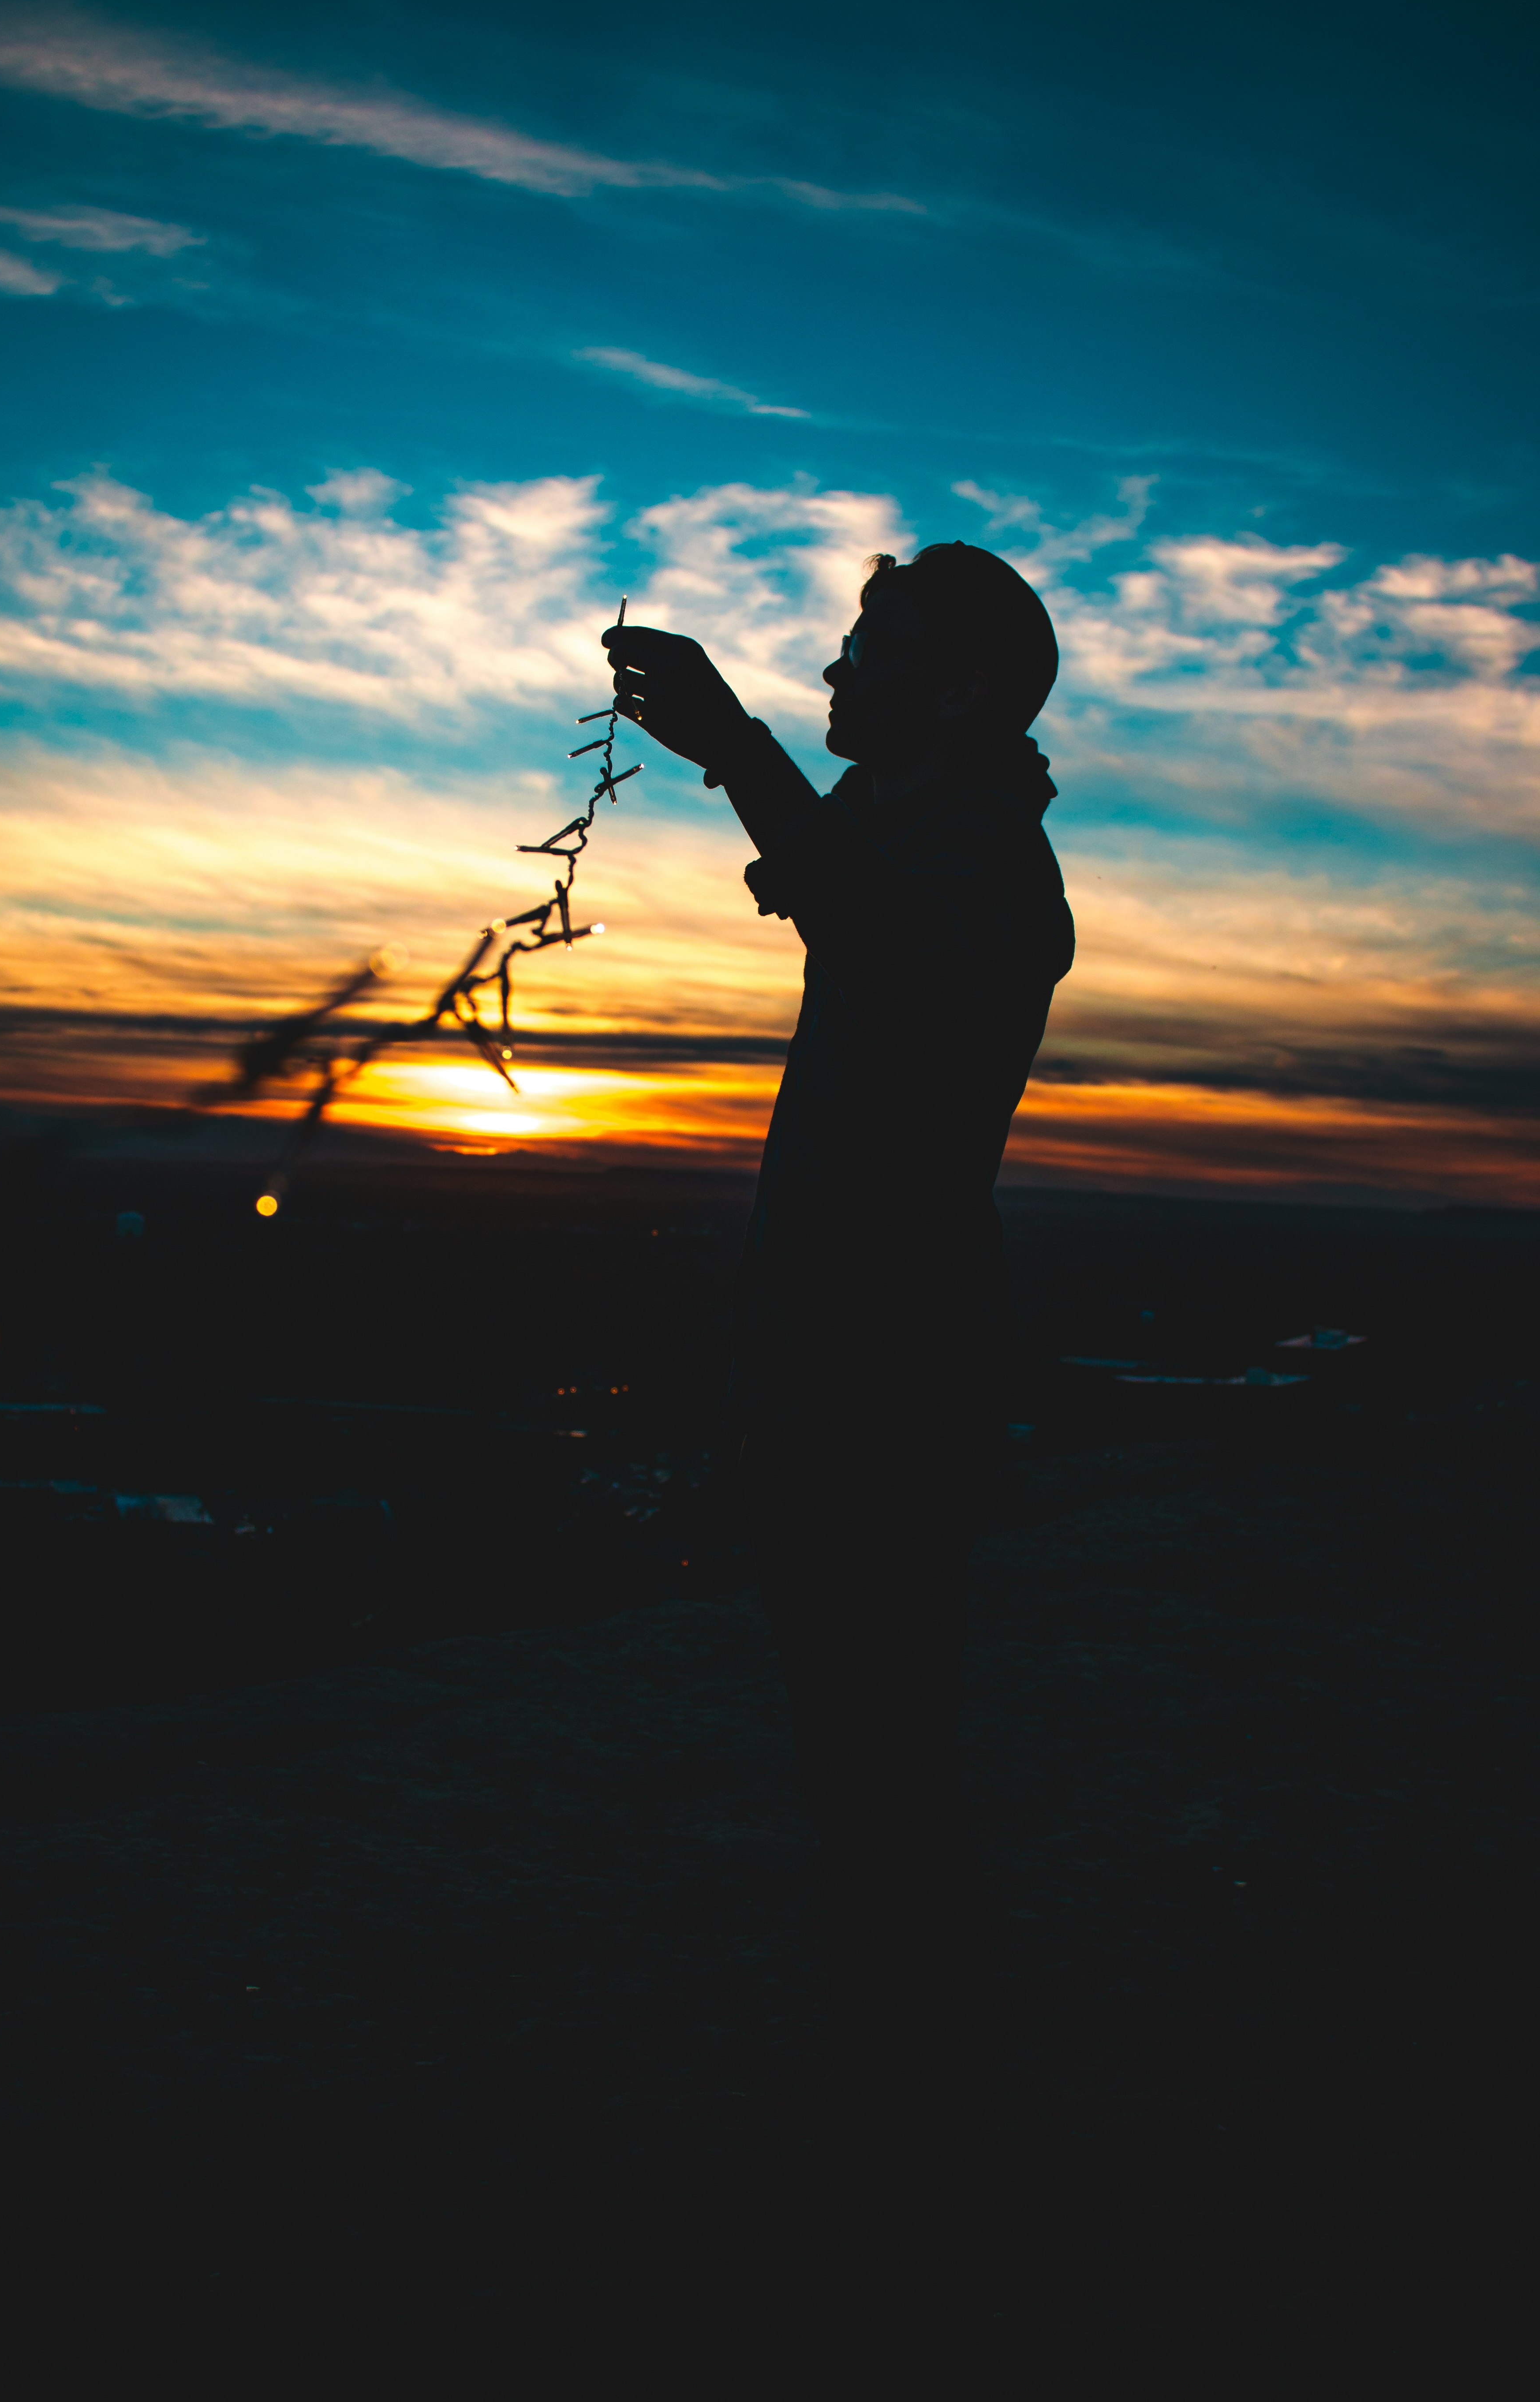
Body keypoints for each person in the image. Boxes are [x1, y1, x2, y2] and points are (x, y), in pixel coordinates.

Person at [604, 543, 1073, 2319]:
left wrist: (729, 742)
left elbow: (849, 904)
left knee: (882, 1757)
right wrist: (738, 753)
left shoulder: (985, 872)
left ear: (956, 689)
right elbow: (833, 883)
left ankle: (911, 2160)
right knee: (867, 1749)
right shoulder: (937, 843)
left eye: (869, 653)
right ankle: (901, 2127)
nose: (836, 676)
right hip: (857, 1361)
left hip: (889, 1372)